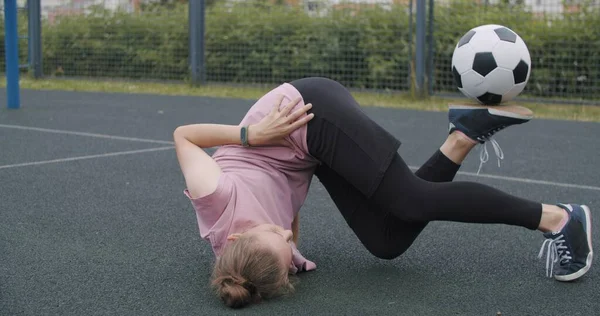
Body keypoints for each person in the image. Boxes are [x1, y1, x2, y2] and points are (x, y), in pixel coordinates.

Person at [173, 77, 593, 309]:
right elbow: (282, 215)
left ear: (234, 238)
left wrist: (252, 134)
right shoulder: (258, 261)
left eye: (278, 234)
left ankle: (558, 217)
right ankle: (462, 137)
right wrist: (283, 246)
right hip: (307, 155)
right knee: (385, 241)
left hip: (303, 114)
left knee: (409, 199)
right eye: (289, 247)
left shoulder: (216, 199)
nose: (289, 236)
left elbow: (184, 136)